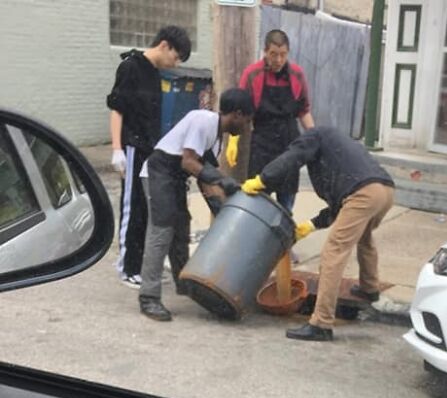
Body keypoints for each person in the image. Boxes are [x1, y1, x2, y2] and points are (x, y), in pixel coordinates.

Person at [242, 126, 395, 342]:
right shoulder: (336, 148)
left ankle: (321, 323)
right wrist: (312, 225)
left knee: (334, 252)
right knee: (364, 237)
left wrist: (262, 180)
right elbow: (340, 205)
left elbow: (291, 158)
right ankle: (369, 289)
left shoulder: (314, 136)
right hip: (385, 191)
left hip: (364, 194)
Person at [138, 88, 254, 322]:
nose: (247, 128)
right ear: (238, 115)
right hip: (158, 173)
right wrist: (222, 180)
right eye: (248, 121)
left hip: (175, 178)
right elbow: (189, 162)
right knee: (161, 233)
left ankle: (185, 285)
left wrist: (223, 210)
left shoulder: (218, 139)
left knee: (181, 230)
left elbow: (205, 177)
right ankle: (148, 297)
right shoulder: (203, 121)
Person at [107, 25, 192, 288]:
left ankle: (138, 265)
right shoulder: (131, 67)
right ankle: (126, 268)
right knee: (132, 208)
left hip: (148, 150)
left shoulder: (155, 75)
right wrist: (117, 149)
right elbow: (117, 109)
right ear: (164, 45)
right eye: (176, 57)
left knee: (145, 210)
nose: (175, 63)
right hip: (132, 147)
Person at [239, 29, 314, 214]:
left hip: (289, 144)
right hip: (262, 144)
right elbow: (240, 113)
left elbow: (304, 111)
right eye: (274, 54)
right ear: (265, 51)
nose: (278, 60)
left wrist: (316, 138)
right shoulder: (252, 74)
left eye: (283, 55)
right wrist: (233, 139)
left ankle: (284, 241)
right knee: (257, 203)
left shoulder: (297, 74)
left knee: (286, 204)